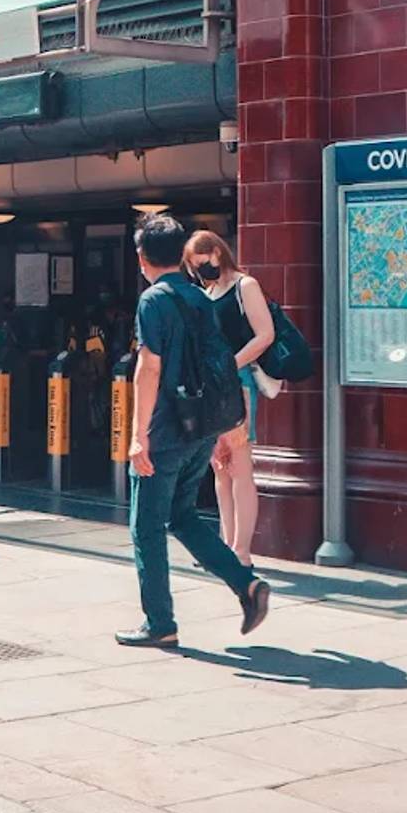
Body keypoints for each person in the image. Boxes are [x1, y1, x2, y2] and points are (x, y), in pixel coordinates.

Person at [119, 214, 270, 648]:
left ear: (142, 257)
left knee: (145, 525)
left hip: (165, 429)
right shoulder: (200, 298)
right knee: (181, 516)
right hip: (200, 428)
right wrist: (223, 429)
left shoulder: (153, 300)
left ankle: (159, 623)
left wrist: (137, 435)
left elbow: (149, 369)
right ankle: (245, 584)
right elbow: (217, 365)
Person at [186, 230, 277, 568]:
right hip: (213, 384)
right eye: (195, 268)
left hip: (237, 382)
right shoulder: (209, 291)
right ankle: (226, 544)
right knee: (220, 467)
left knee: (239, 466)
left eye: (203, 263)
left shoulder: (245, 286)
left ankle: (241, 549)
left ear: (218, 253)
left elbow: (265, 334)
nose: (201, 271)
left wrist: (230, 364)